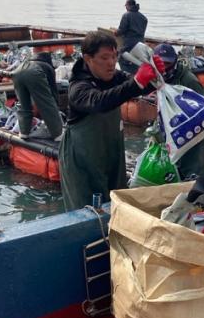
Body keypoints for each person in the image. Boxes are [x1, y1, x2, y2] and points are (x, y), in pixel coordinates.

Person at [59, 31, 164, 211]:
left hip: (111, 155)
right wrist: (136, 82)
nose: (111, 62)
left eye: (114, 57)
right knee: (87, 209)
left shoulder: (114, 77)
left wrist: (155, 75)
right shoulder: (79, 87)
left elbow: (135, 87)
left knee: (117, 202)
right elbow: (99, 101)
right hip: (83, 160)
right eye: (104, 57)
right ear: (88, 59)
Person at [153, 43, 204, 179]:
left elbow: (202, 114)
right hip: (171, 134)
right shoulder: (158, 79)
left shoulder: (190, 82)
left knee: (191, 176)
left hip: (193, 137)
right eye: (160, 64)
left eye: (167, 64)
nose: (164, 68)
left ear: (175, 62)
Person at [12, 51, 63, 140]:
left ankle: (24, 132)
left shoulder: (29, 62)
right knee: (46, 103)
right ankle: (58, 134)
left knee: (23, 103)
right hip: (34, 72)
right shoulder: (47, 66)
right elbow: (52, 90)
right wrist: (56, 106)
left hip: (17, 71)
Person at [115, 0, 148, 74]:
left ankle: (127, 76)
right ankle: (136, 76)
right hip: (140, 44)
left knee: (122, 59)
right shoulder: (143, 17)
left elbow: (121, 30)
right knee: (136, 62)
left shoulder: (126, 15)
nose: (126, 8)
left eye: (126, 6)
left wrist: (116, 33)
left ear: (128, 5)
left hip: (129, 44)